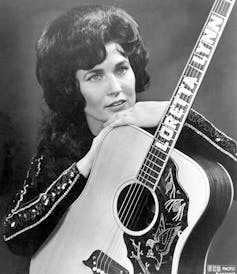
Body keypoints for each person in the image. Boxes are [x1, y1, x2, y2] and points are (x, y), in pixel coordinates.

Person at [3, 4, 237, 273]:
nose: (116, 89)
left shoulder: (166, 135)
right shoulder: (61, 146)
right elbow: (16, 236)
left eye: (122, 69)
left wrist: (176, 116)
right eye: (95, 76)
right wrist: (87, 163)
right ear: (71, 88)